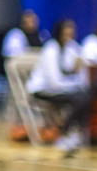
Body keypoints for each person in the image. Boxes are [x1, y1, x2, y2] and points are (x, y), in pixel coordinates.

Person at [25, 18, 88, 154]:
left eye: (72, 32)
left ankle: (70, 133)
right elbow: (55, 83)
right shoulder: (50, 49)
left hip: (63, 89)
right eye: (66, 32)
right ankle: (64, 131)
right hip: (43, 89)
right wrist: (75, 83)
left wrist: (78, 71)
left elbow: (82, 79)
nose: (69, 36)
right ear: (59, 32)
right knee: (79, 98)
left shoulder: (72, 48)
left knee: (86, 96)